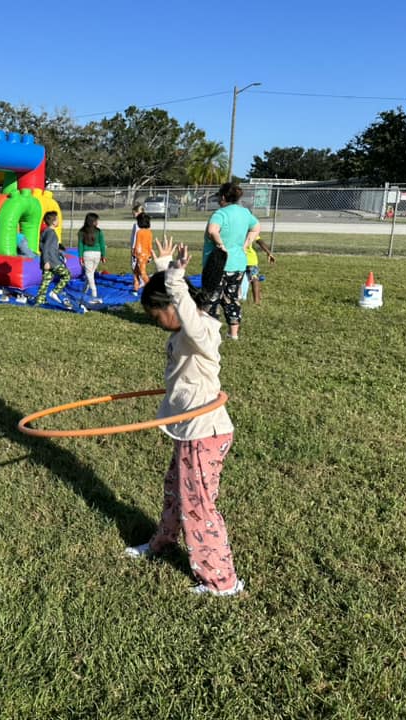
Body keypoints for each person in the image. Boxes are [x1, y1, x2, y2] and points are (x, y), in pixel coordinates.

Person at [125, 236, 243, 597]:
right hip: (189, 430)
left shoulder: (200, 333)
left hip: (204, 432)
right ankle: (162, 542)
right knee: (176, 493)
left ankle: (222, 581)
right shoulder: (191, 324)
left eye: (156, 315)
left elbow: (188, 316)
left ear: (174, 307)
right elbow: (185, 310)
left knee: (199, 505)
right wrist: (164, 270)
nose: (155, 321)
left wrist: (174, 280)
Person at [200, 182, 260, 340]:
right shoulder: (245, 213)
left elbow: (212, 230)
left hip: (217, 265)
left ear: (224, 197)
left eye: (219, 196)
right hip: (238, 264)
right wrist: (247, 243)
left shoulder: (220, 214)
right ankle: (233, 333)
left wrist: (220, 245)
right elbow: (256, 227)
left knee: (212, 298)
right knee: (231, 298)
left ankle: (211, 334)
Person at [30, 211, 73, 308]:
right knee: (67, 275)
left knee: (46, 280)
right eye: (57, 219)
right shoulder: (51, 233)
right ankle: (55, 292)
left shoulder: (45, 232)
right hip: (52, 262)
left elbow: (42, 246)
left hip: (49, 260)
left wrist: (58, 253)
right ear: (53, 222)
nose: (59, 221)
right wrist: (47, 261)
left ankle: (40, 301)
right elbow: (46, 248)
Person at [77, 212, 106, 302]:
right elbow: (102, 244)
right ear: (92, 221)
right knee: (90, 273)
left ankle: (94, 292)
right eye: (96, 220)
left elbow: (80, 245)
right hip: (97, 254)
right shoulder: (99, 232)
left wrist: (80, 256)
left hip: (87, 254)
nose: (98, 222)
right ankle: (84, 291)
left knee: (89, 274)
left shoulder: (81, 232)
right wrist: (103, 255)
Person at [240, 235, 275, 305]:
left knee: (236, 278)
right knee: (254, 278)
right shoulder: (249, 229)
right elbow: (259, 241)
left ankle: (237, 298)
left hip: (239, 258)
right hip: (251, 259)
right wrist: (268, 252)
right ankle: (256, 301)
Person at [131, 212, 153, 294]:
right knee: (136, 271)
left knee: (142, 272)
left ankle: (150, 288)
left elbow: (137, 244)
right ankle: (135, 287)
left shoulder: (139, 232)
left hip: (140, 255)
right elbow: (150, 245)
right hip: (146, 255)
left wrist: (134, 253)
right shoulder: (149, 232)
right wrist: (150, 255)